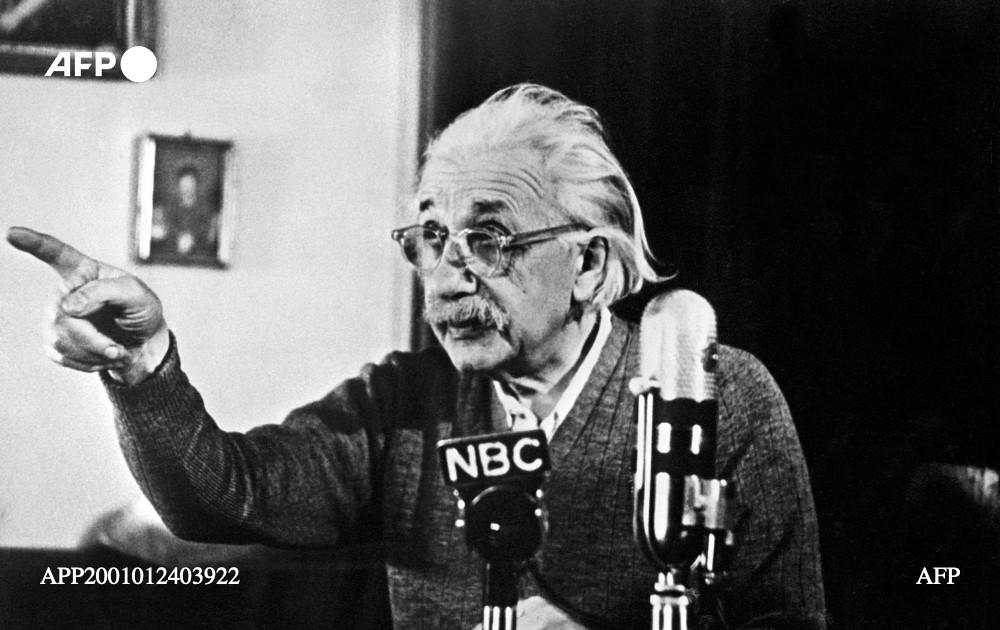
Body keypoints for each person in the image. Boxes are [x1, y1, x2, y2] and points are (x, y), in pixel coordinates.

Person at [8, 84, 826, 629]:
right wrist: (140, 366)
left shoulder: (715, 394)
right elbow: (226, 499)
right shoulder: (403, 402)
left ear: (587, 264)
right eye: (432, 236)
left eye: (489, 237)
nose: (447, 275)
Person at [150, 165, 219, 259]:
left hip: (200, 255)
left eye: (190, 183)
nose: (187, 188)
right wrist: (177, 236)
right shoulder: (168, 206)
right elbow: (166, 226)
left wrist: (192, 238)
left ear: (196, 185)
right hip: (171, 254)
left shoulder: (207, 208)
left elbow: (208, 232)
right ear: (178, 185)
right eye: (184, 184)